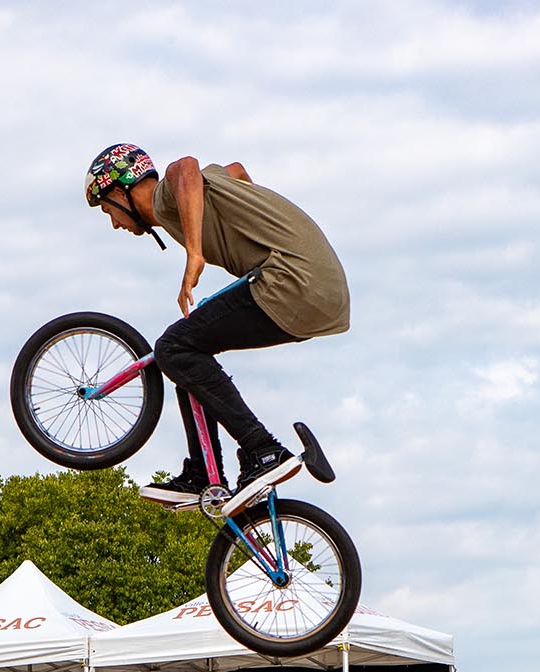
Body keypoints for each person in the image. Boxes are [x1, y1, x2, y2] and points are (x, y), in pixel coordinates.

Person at [85, 143, 347, 511]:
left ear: (118, 191)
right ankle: (203, 475)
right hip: (320, 295)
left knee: (174, 347)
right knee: (184, 354)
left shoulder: (163, 198)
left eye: (108, 210)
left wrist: (195, 253)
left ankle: (263, 450)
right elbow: (236, 170)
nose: (114, 223)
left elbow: (186, 168)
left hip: (291, 280)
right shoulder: (204, 195)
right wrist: (255, 217)